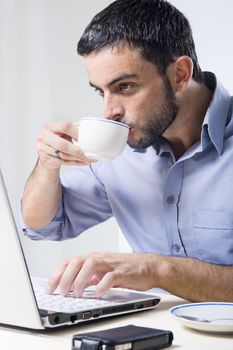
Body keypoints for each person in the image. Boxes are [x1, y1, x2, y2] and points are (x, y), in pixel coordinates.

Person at [21, 0, 233, 302]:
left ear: (180, 74)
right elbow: (45, 223)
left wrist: (158, 270)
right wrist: (47, 166)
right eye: (100, 90)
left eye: (125, 87)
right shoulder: (121, 146)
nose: (109, 111)